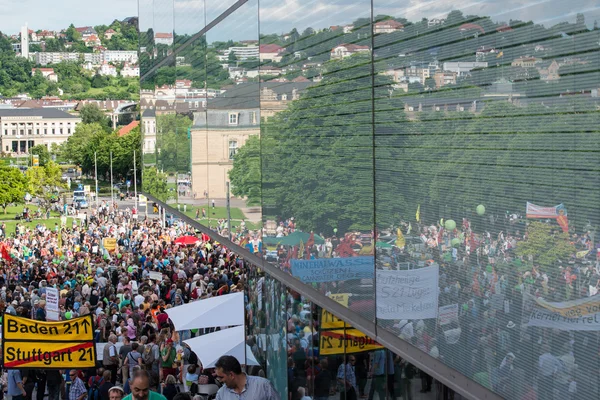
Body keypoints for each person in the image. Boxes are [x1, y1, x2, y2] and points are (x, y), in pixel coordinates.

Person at [214, 355, 280, 400]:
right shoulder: (221, 394)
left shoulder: (263, 386)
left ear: (231, 375)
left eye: (221, 377)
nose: (220, 380)